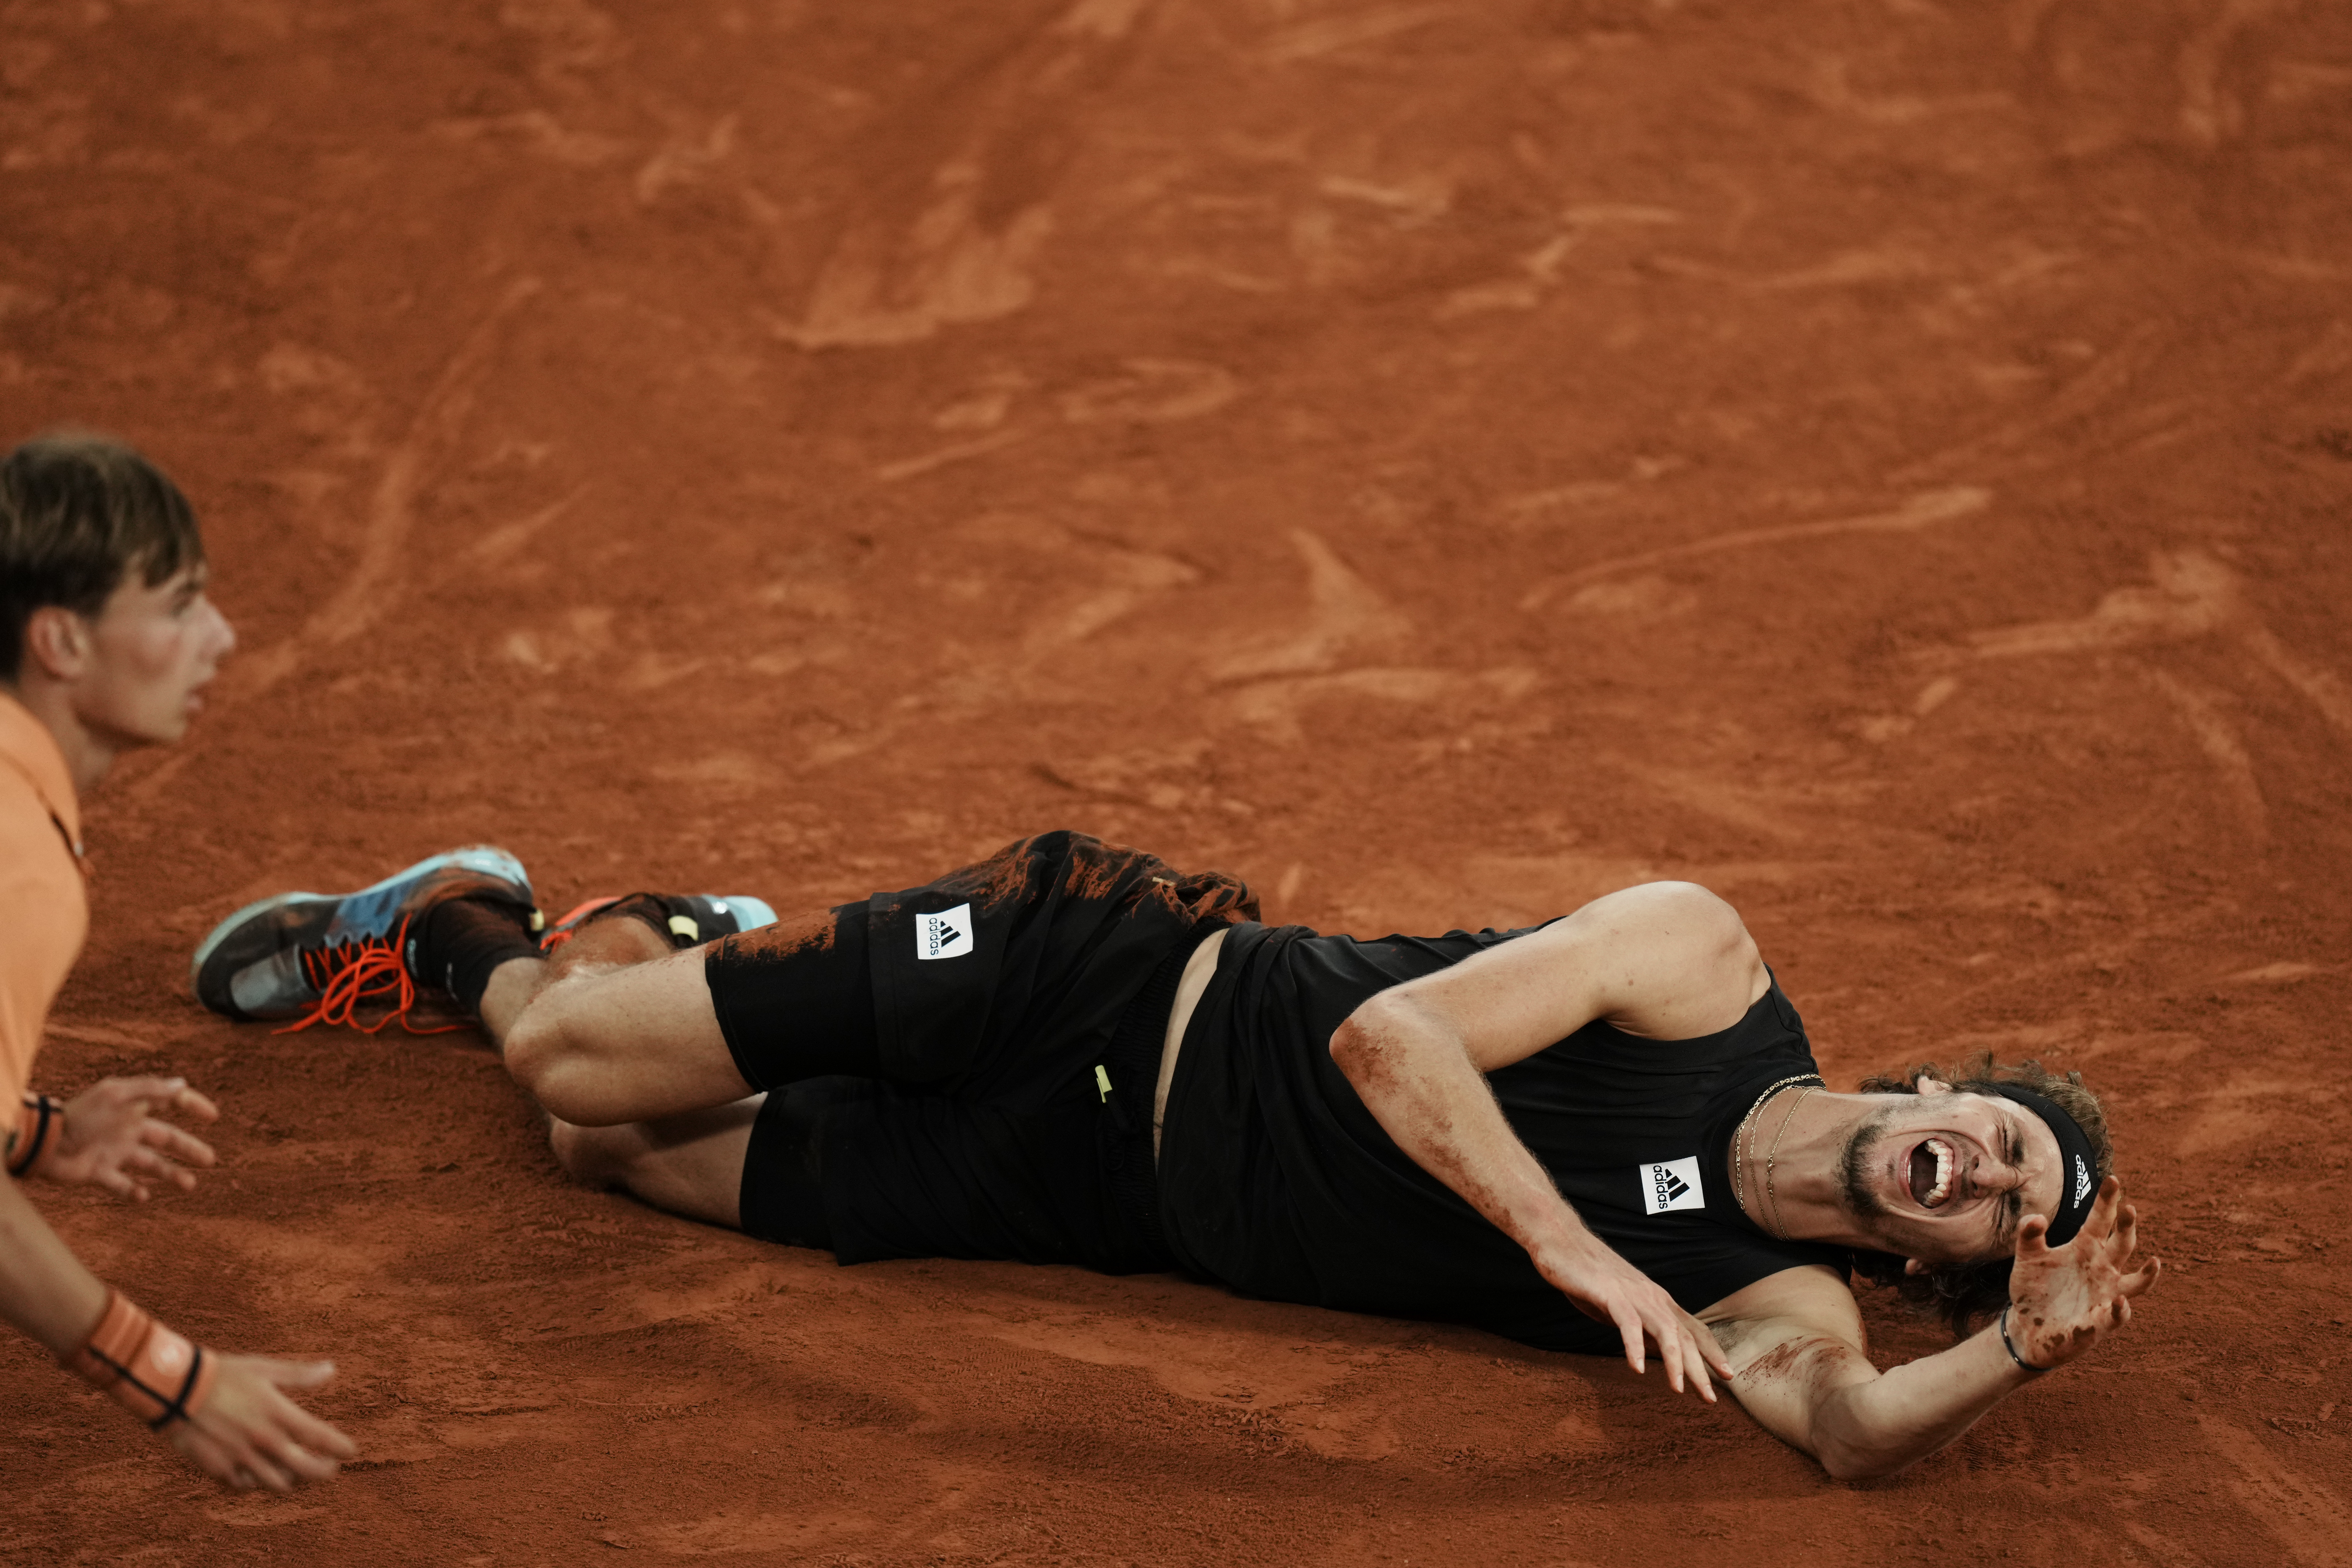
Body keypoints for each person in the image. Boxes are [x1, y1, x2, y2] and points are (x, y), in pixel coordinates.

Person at [193, 829, 2159, 1480]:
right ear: (1938, 1089)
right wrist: (1568, 1248)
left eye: (2004, 1220)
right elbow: (1389, 1039)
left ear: (1928, 1268)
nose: (1983, 1181)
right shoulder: (1700, 967)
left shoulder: (1783, 1296)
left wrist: (2020, 1350)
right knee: (565, 1054)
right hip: (1096, 986)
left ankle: (647, 933)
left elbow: (1844, 1430)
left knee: (591, 1147)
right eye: (1999, 1143)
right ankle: (459, 926)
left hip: (1089, 1201)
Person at [0, 432, 358, 1492]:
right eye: (177, 605)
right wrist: (168, 1378)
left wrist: (35, 1132)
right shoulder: (19, 869)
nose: (223, 635)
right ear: (61, 640)